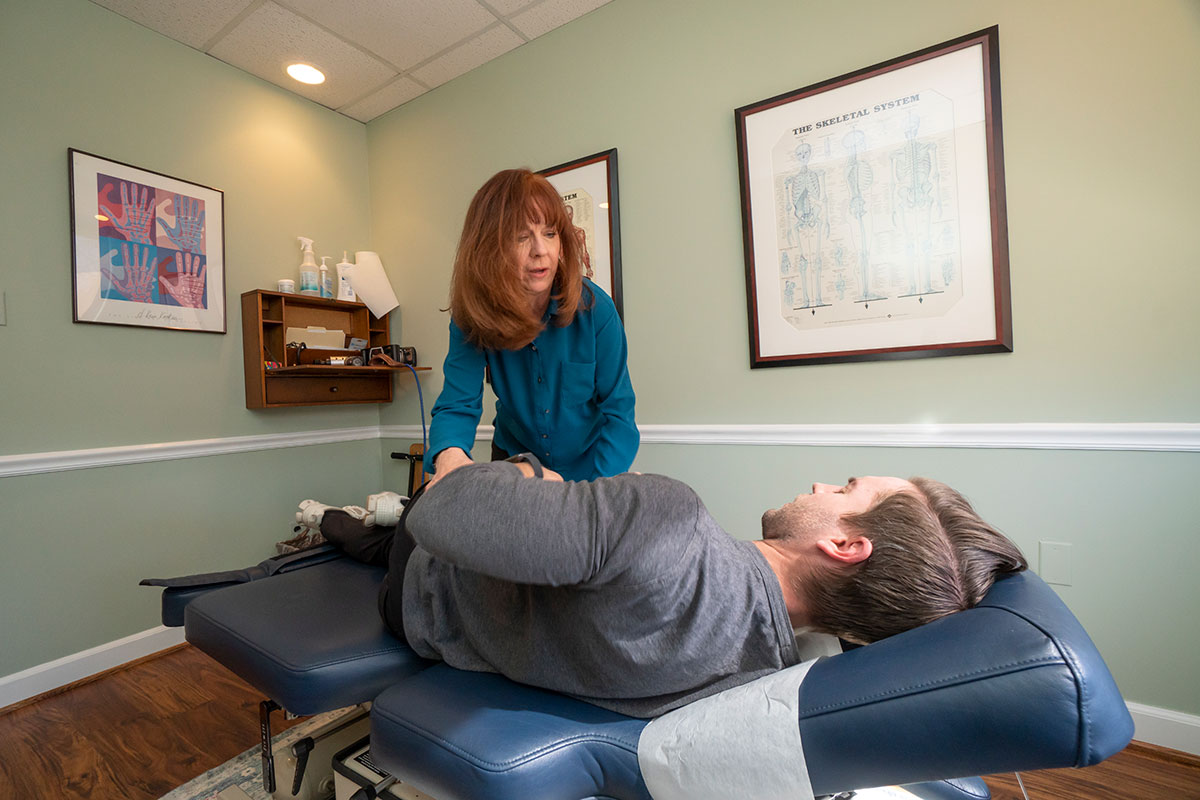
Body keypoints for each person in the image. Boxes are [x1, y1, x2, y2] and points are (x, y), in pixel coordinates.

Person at [318, 456, 1027, 719]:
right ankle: (339, 526)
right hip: (488, 617)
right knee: (369, 532)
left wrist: (517, 476)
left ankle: (341, 526)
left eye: (843, 488)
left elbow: (446, 510)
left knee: (467, 483)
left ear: (845, 545)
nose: (819, 483)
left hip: (423, 593)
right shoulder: (766, 683)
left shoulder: (666, 521)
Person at [425, 168, 637, 485]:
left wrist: (593, 491)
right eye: (522, 237)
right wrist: (450, 456)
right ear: (488, 249)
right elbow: (457, 405)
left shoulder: (597, 310)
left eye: (549, 233)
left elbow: (618, 415)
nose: (540, 250)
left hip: (590, 471)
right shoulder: (472, 316)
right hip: (516, 466)